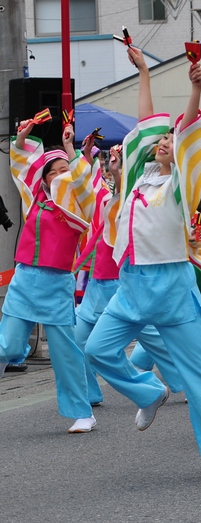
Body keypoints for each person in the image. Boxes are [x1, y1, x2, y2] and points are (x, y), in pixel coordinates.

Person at [83, 47, 201, 478]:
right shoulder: (138, 178)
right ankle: (149, 394)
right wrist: (144, 73)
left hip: (171, 287)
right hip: (130, 286)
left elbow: (187, 132)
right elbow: (144, 124)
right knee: (97, 349)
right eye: (161, 139)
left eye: (171, 140)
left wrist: (195, 88)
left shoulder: (183, 185)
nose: (163, 143)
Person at [0, 119, 96, 433]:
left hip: (57, 283)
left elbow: (84, 184)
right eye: (51, 171)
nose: (57, 176)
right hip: (26, 279)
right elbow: (21, 167)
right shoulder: (34, 200)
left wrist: (69, 148)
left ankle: (83, 413)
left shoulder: (79, 205)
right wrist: (22, 138)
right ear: (43, 177)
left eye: (63, 170)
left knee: (65, 354)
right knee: (8, 347)